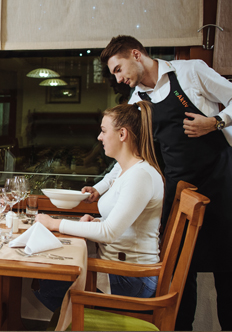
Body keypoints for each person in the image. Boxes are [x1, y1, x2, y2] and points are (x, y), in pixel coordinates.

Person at [93, 35, 232, 331]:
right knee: (181, 273)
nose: (118, 78)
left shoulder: (191, 71)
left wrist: (216, 121)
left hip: (221, 183)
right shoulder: (136, 102)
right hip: (178, 191)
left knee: (227, 268)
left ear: (136, 54)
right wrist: (101, 187)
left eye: (119, 69)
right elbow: (132, 155)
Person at [35, 101, 164, 311]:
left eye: (103, 131)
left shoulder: (140, 176)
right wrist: (97, 221)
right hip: (120, 269)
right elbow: (118, 223)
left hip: (131, 279)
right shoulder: (126, 172)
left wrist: (54, 223)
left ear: (122, 134)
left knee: (50, 276)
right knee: (49, 271)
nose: (99, 137)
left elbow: (109, 233)